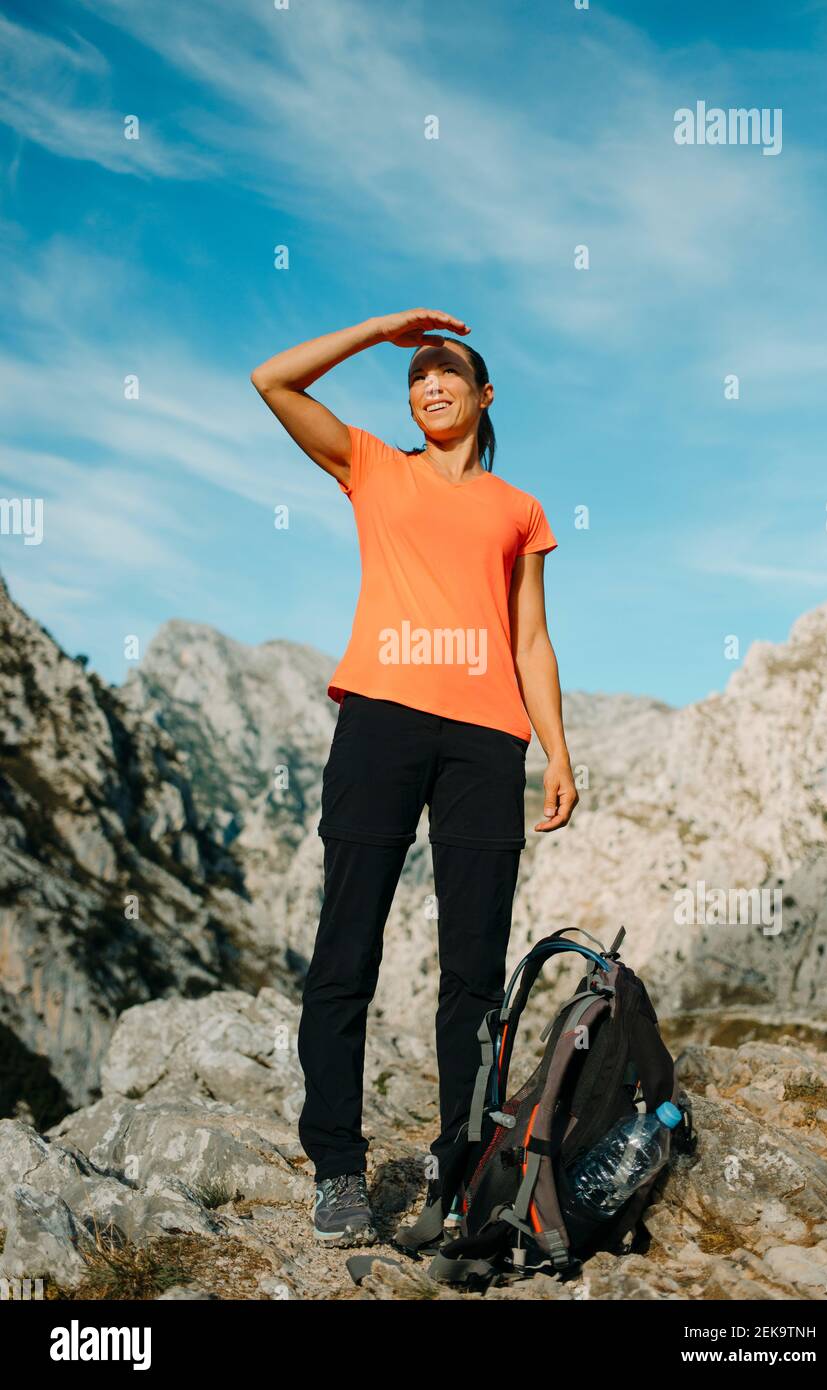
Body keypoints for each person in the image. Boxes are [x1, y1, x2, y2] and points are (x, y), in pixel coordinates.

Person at [250, 309, 578, 1245]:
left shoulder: (519, 508)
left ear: (483, 395)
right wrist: (383, 329)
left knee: (473, 974)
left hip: (486, 742)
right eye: (416, 374)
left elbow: (530, 638)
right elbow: (272, 380)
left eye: (447, 372)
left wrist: (556, 750)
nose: (428, 383)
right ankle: (339, 1173)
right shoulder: (370, 465)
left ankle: (462, 1168)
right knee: (346, 951)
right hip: (381, 726)